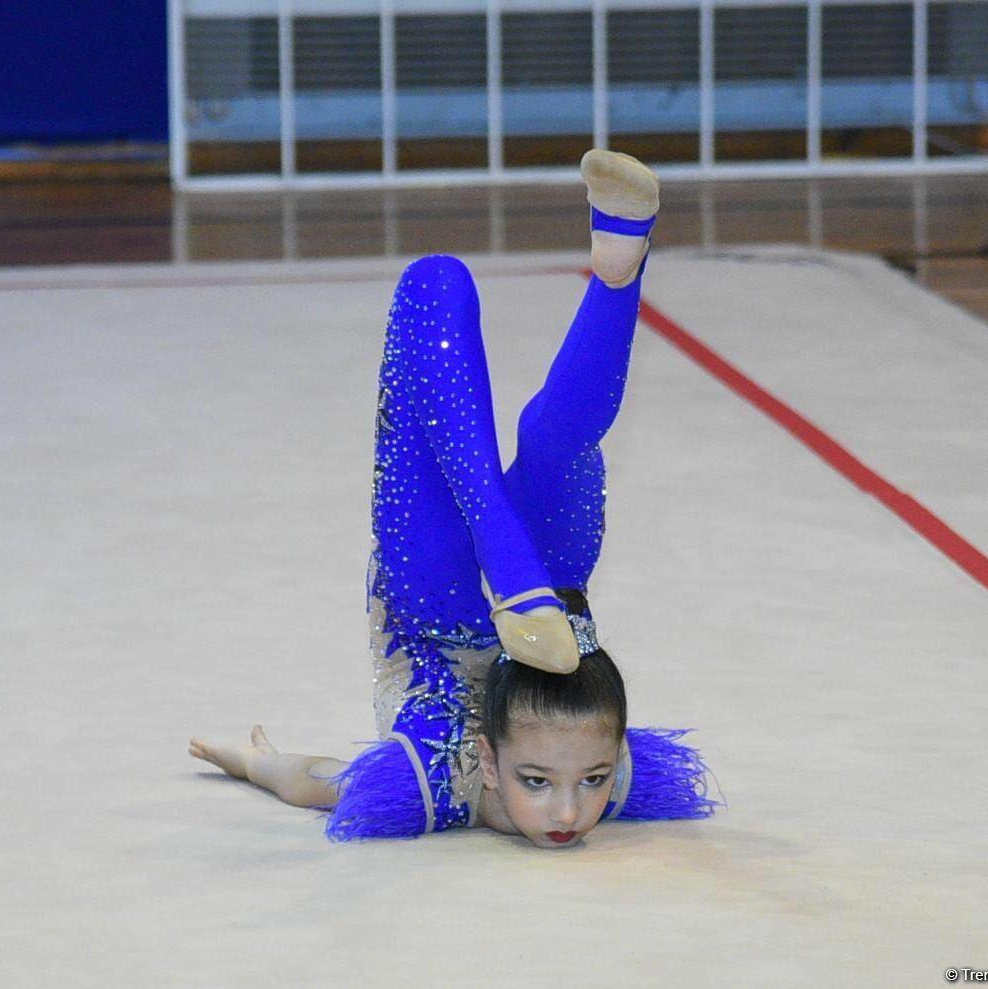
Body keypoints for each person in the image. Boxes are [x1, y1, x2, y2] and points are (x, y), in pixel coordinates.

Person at [190, 150, 721, 847]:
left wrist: (256, 763)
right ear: (492, 766)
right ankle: (616, 278)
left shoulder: (435, 778)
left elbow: (322, 780)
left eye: (589, 780)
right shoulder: (592, 769)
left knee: (434, 283)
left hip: (433, 600)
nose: (569, 811)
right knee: (558, 443)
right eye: (542, 781)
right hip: (551, 585)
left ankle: (512, 566)